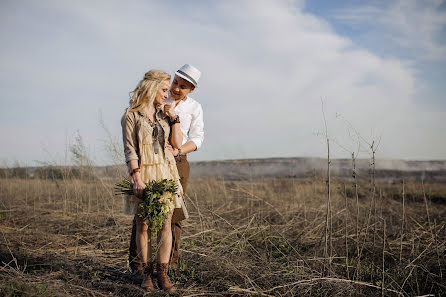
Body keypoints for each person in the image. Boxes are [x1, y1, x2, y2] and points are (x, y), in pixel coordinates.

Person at [128, 64, 204, 279]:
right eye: (176, 83)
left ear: (191, 90)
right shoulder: (159, 98)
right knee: (143, 215)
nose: (176, 89)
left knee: (173, 215)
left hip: (178, 162)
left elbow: (198, 138)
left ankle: (168, 267)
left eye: (183, 87)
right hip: (151, 161)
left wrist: (179, 150)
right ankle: (138, 267)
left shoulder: (195, 108)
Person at [121, 69, 183, 293]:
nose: (167, 94)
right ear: (152, 87)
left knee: (165, 224)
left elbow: (177, 144)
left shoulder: (165, 114)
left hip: (166, 174)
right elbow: (130, 150)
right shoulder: (131, 115)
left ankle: (163, 274)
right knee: (143, 225)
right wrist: (137, 178)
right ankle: (146, 274)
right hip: (145, 176)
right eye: (164, 89)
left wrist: (174, 117)